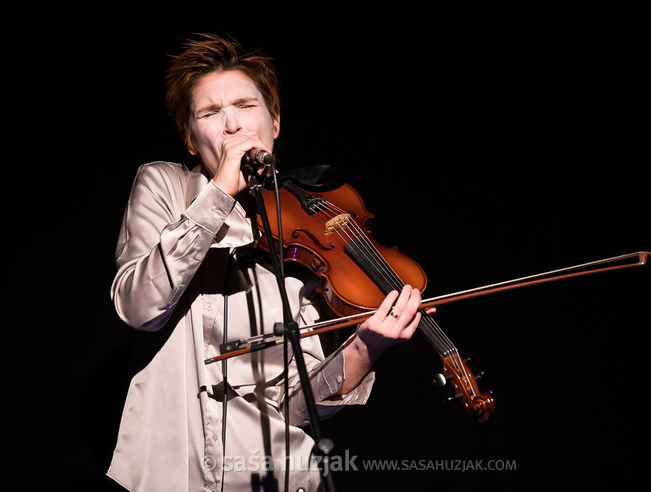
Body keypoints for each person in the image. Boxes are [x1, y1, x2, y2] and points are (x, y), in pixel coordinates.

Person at [107, 33, 427, 491]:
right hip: (171, 475)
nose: (232, 125)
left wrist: (365, 346)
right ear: (191, 138)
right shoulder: (165, 186)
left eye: (245, 105)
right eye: (210, 113)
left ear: (275, 122)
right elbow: (139, 308)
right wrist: (217, 194)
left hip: (276, 476)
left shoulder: (299, 224)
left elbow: (297, 405)